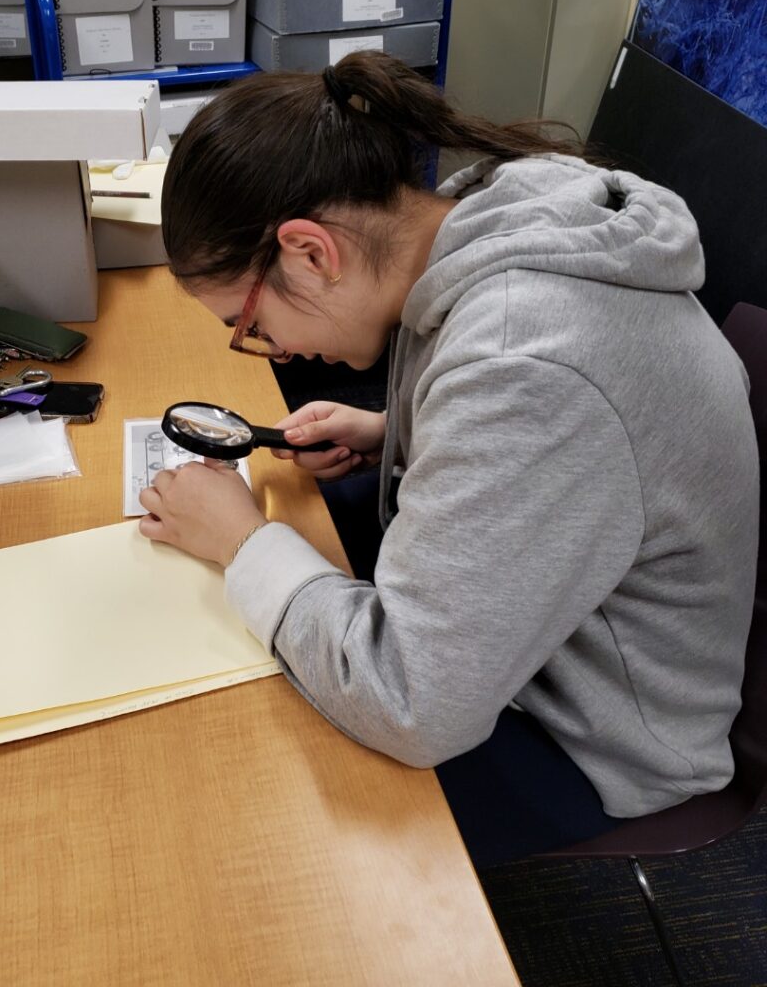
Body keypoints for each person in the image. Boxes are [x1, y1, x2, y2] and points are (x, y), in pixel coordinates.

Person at [137, 52, 759, 867]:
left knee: (247, 801)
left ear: (311, 251)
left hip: (594, 732)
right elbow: (564, 427)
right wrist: (397, 425)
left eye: (249, 323)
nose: (269, 347)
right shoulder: (474, 216)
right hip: (544, 630)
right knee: (287, 572)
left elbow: (413, 704)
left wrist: (243, 543)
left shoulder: (527, 363)